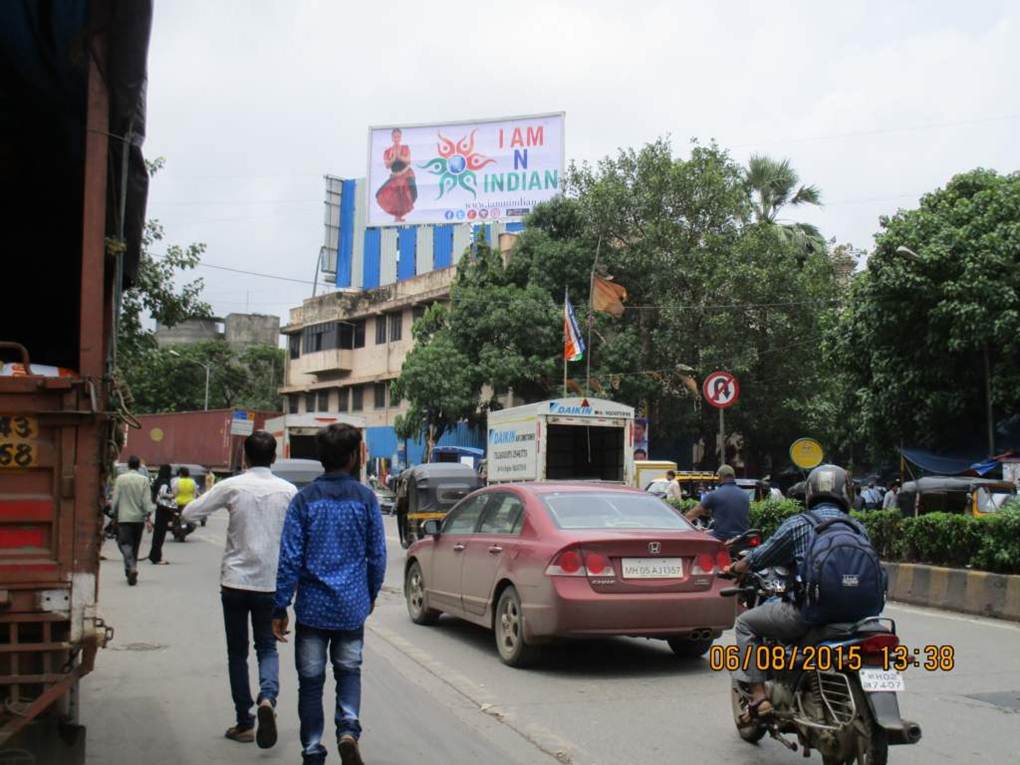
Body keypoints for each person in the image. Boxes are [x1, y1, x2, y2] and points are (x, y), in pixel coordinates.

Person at [273, 424, 386, 765]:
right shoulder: (365, 499)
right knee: (348, 672)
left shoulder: (304, 500)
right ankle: (348, 729)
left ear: (321, 458)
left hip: (311, 610)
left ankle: (311, 750)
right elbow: (377, 554)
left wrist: (280, 606)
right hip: (351, 608)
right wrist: (371, 593)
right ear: (354, 457)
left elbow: (290, 557)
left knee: (310, 683)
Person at [182, 432, 297, 748]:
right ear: (274, 458)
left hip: (234, 582)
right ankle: (268, 698)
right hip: (270, 584)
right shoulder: (289, 492)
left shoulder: (231, 486)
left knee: (237, 653)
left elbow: (189, 513)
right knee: (267, 647)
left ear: (245, 457)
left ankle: (245, 721)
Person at [727, 464, 867, 721]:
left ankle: (759, 696)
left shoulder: (799, 524)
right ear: (847, 492)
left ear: (809, 492)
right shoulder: (858, 527)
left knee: (746, 624)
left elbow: (762, 556)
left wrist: (736, 567)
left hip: (810, 614)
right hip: (861, 617)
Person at [110, 456, 154, 585]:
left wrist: (113, 512)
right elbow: (146, 501)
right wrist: (148, 516)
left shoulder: (121, 479)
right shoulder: (144, 480)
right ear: (139, 466)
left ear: (128, 465)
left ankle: (131, 567)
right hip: (138, 519)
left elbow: (116, 499)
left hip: (124, 518)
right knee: (135, 545)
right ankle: (130, 569)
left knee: (124, 544)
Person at [685, 465, 749, 541]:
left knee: (698, 538)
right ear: (734, 476)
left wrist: (681, 523)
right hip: (742, 536)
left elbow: (691, 514)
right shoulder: (745, 495)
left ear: (720, 476)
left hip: (721, 537)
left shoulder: (714, 495)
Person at [375, 127, 417, 222]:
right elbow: (387, 165)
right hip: (395, 175)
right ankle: (398, 217)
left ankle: (401, 215)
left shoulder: (405, 148)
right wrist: (394, 158)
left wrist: (399, 156)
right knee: (383, 193)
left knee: (411, 192)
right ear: (392, 138)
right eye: (394, 137)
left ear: (400, 137)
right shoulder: (388, 151)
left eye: (398, 136)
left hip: (406, 173)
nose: (396, 138)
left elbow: (408, 161)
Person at [146, 465, 175, 565]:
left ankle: (154, 555)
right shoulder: (165, 482)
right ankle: (156, 557)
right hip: (163, 511)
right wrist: (172, 495)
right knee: (160, 535)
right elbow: (162, 494)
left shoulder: (158, 480)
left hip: (158, 510)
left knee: (157, 534)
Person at [172, 467, 198, 539]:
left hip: (179, 504)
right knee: (190, 519)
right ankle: (184, 531)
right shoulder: (193, 482)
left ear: (180, 474)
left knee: (175, 518)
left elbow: (174, 493)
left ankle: (177, 531)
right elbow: (195, 493)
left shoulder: (177, 482)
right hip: (190, 504)